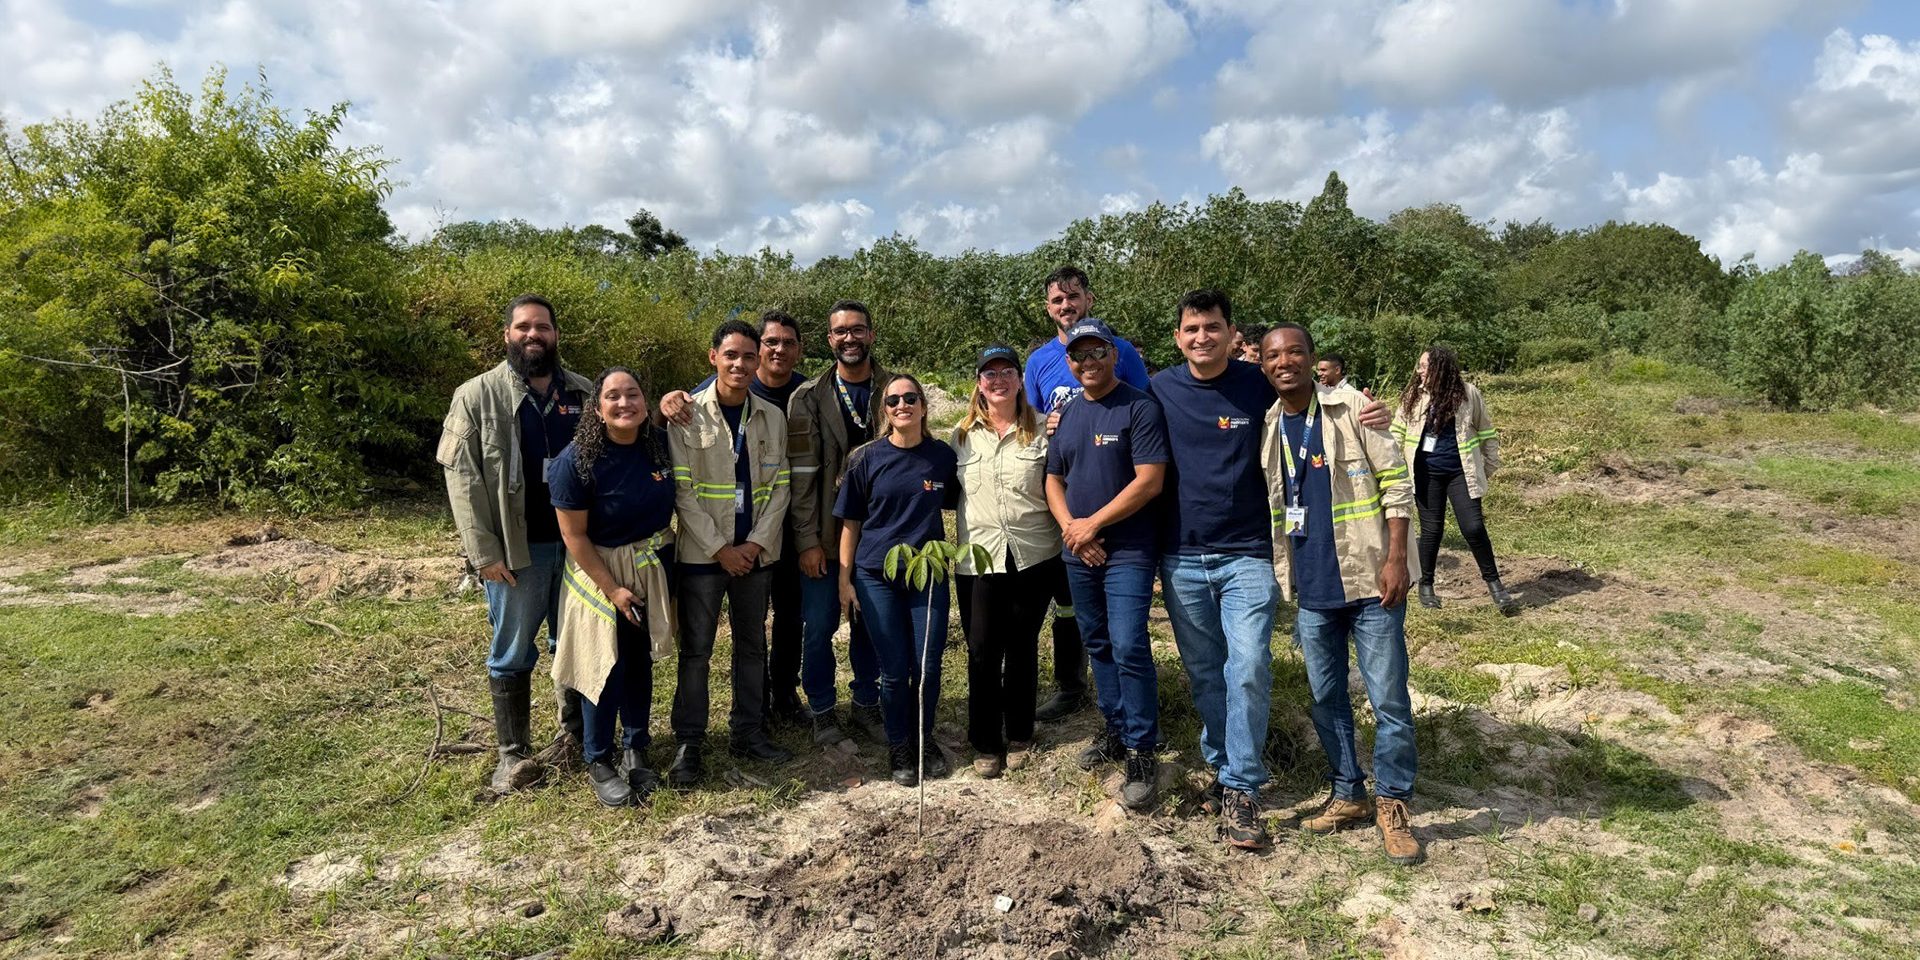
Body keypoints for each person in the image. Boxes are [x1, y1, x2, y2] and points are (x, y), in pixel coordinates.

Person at [1260, 323, 1422, 866]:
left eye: (1295, 352)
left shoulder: (1353, 410)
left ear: (1312, 359)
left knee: (1389, 699)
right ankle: (1348, 791)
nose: (1285, 362)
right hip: (1312, 588)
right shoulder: (1269, 424)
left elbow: (1397, 484)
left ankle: (1393, 803)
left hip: (1371, 583)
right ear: (1263, 365)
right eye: (1274, 355)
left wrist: (1397, 559)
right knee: (1325, 698)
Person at [437, 293, 592, 794]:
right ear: (507, 335)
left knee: (572, 643)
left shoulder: (586, 393)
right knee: (512, 650)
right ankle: (513, 755)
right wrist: (484, 553)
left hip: (577, 550)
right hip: (515, 553)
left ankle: (576, 740)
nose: (533, 335)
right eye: (523, 327)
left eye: (542, 327)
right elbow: (463, 479)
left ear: (555, 335)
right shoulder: (476, 396)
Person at [1147, 290, 1282, 849]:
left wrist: (1371, 409)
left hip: (1249, 551)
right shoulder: (1157, 390)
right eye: (1191, 329)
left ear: (1232, 334)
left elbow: (1316, 402)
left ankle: (1242, 787)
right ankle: (1228, 763)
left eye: (1212, 327)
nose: (1201, 337)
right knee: (1205, 671)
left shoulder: (1258, 385)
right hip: (1180, 553)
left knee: (1248, 663)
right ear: (1178, 337)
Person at [664, 311, 812, 727]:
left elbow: (780, 487)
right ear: (713, 357)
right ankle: (689, 740)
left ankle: (749, 730)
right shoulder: (687, 414)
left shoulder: (773, 415)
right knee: (696, 652)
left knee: (752, 647)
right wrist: (720, 550)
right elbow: (683, 492)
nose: (740, 364)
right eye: (731, 355)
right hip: (702, 558)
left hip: (754, 556)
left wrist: (753, 546)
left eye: (748, 356)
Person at [1044, 320, 1169, 811]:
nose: (1087, 362)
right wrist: (1074, 529)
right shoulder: (1069, 413)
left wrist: (1091, 524)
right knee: (1096, 641)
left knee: (1130, 643)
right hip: (1079, 548)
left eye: (1097, 352)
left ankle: (1142, 747)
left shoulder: (1139, 407)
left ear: (1114, 355)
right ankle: (1115, 728)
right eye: (1078, 355)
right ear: (1069, 363)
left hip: (1129, 550)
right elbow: (1053, 479)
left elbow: (1149, 481)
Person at [1022, 266, 1147, 724]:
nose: (1065, 306)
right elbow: (1031, 424)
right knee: (1069, 599)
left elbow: (1142, 407)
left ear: (1089, 299)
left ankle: (1129, 719)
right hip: (1062, 496)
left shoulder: (1121, 351)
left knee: (1120, 625)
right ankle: (1072, 685)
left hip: (1117, 497)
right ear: (1048, 308)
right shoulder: (1038, 361)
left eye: (1073, 297)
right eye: (1057, 300)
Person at [547, 368, 676, 807]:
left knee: (639, 660)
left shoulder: (656, 447)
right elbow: (574, 537)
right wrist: (614, 590)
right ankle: (598, 759)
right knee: (603, 666)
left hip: (649, 567)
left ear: (645, 401)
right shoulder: (576, 461)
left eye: (633, 394)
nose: (625, 404)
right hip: (599, 572)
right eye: (614, 397)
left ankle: (636, 746)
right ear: (597, 408)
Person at [834, 374, 961, 786]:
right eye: (893, 401)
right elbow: (851, 522)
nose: (901, 405)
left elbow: (958, 501)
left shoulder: (942, 457)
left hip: (928, 571)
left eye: (910, 398)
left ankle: (923, 739)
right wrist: (845, 578)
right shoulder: (865, 458)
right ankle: (899, 745)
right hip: (876, 575)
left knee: (927, 665)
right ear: (883, 411)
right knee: (893, 668)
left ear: (924, 405)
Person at [787, 300, 895, 746]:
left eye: (858, 330)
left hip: (880, 534)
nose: (849, 338)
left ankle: (866, 703)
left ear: (871, 334)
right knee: (819, 627)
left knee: (870, 627)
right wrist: (808, 541)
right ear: (829, 340)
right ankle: (822, 708)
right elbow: (800, 479)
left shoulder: (895, 389)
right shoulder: (806, 398)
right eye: (840, 332)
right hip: (826, 537)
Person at [952, 345, 1062, 778]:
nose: (997, 381)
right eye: (989, 373)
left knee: (1021, 647)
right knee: (981, 650)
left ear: (1020, 379)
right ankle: (984, 741)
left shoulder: (1044, 429)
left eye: (1006, 372)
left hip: (1034, 555)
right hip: (977, 559)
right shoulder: (961, 435)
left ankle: (1018, 733)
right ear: (979, 382)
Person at [1390, 346, 1514, 614]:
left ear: (1440, 369)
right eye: (1419, 366)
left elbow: (1486, 433)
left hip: (1461, 473)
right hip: (1425, 473)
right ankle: (1426, 585)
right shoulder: (1412, 396)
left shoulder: (1468, 394)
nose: (1419, 371)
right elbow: (1396, 433)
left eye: (1424, 366)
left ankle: (1495, 586)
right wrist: (1393, 468)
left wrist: (1488, 467)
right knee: (1432, 531)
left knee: (1473, 528)